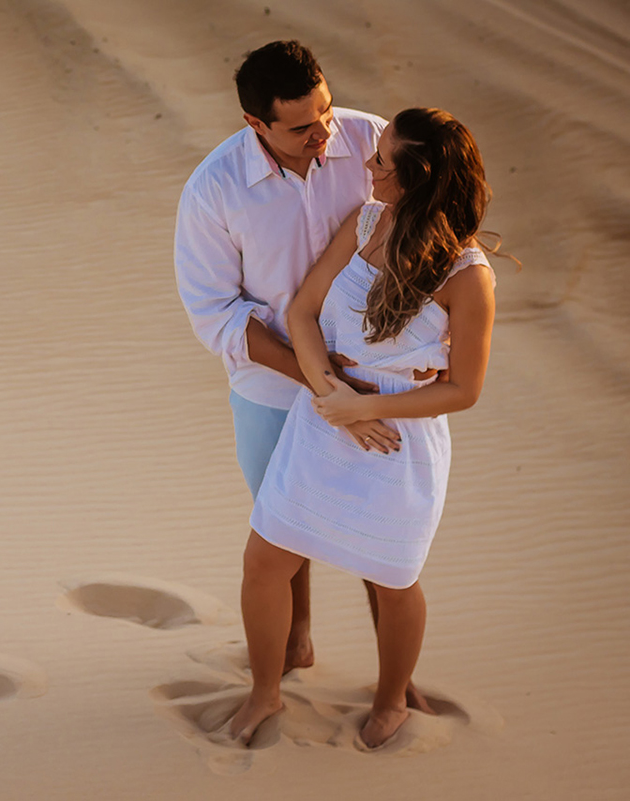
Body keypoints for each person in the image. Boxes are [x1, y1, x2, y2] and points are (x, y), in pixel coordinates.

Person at [227, 108, 499, 749]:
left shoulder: (468, 276)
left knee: (394, 580)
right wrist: (332, 396)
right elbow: (301, 310)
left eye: (382, 161)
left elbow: (464, 389)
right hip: (324, 417)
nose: (367, 167)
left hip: (399, 441)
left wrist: (366, 412)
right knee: (264, 561)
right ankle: (266, 693)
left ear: (418, 176)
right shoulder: (367, 219)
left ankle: (390, 700)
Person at [174, 41, 430, 697]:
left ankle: (394, 677)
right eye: (300, 127)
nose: (324, 134)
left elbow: (431, 234)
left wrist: (429, 352)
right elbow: (217, 315)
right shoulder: (214, 190)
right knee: (285, 526)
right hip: (269, 389)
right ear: (255, 124)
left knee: (384, 535)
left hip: (380, 384)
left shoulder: (370, 139)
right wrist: (319, 380)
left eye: (325, 111)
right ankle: (295, 641)